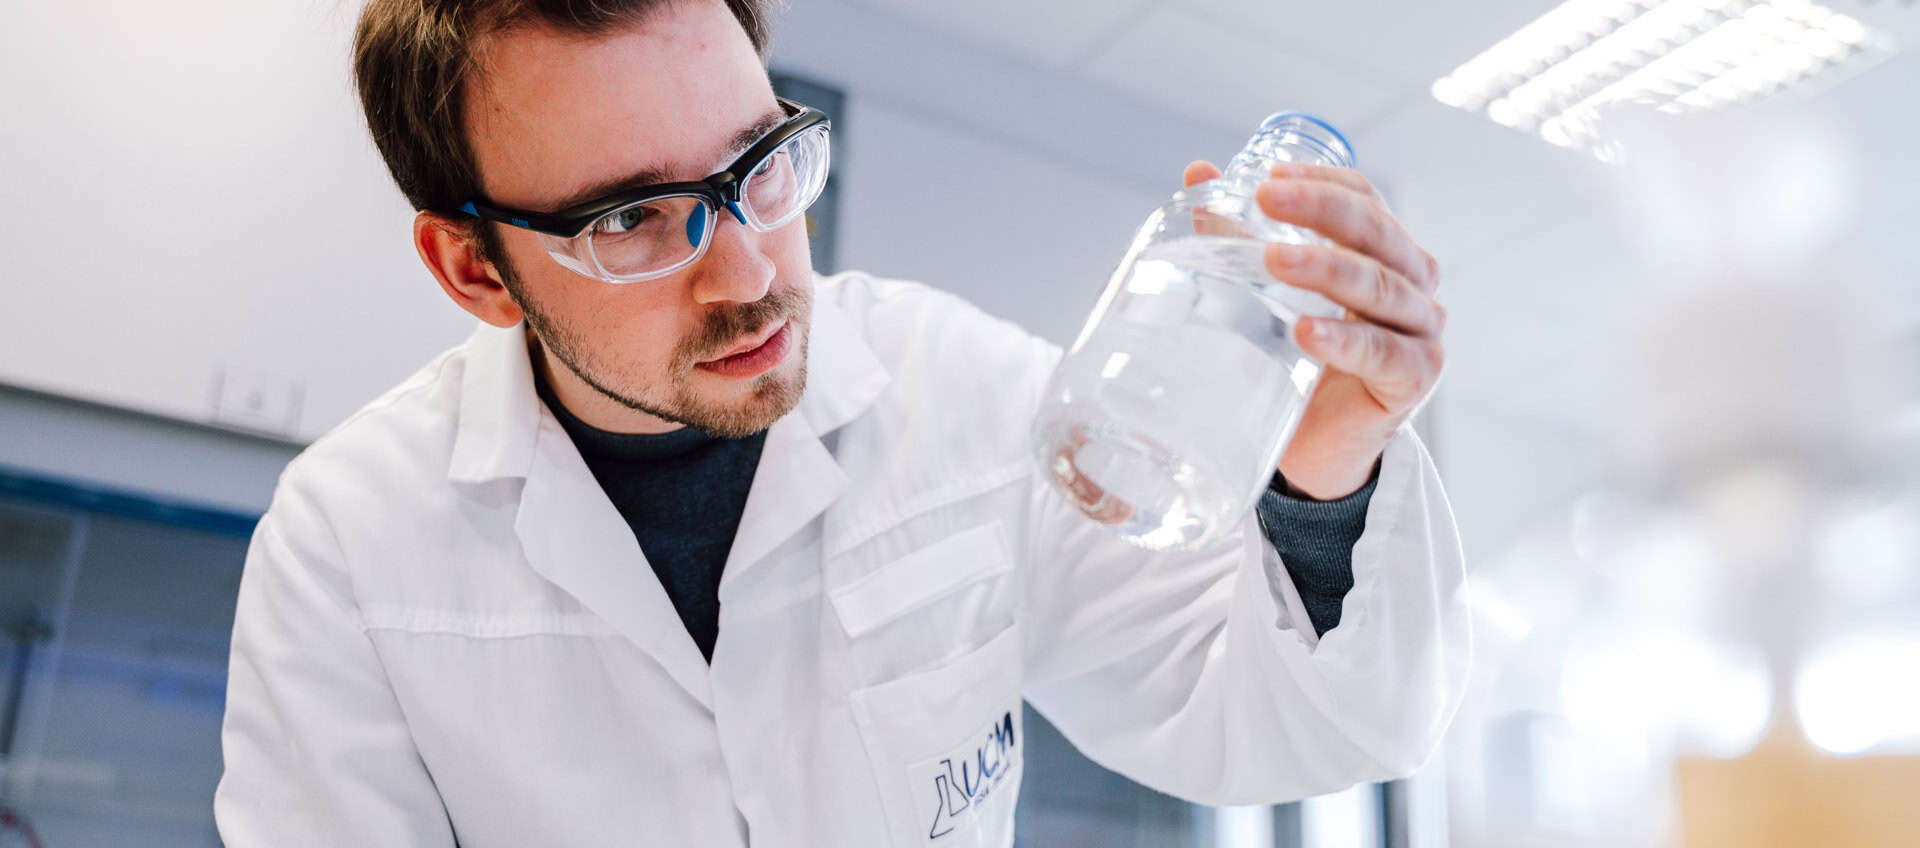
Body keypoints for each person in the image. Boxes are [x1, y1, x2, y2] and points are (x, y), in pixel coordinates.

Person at [213, 0, 1468, 844]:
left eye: (760, 164)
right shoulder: (350, 544)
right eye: (630, 220)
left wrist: (1336, 447)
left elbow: (1291, 718)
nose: (750, 271)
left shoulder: (960, 393)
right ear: (475, 268)